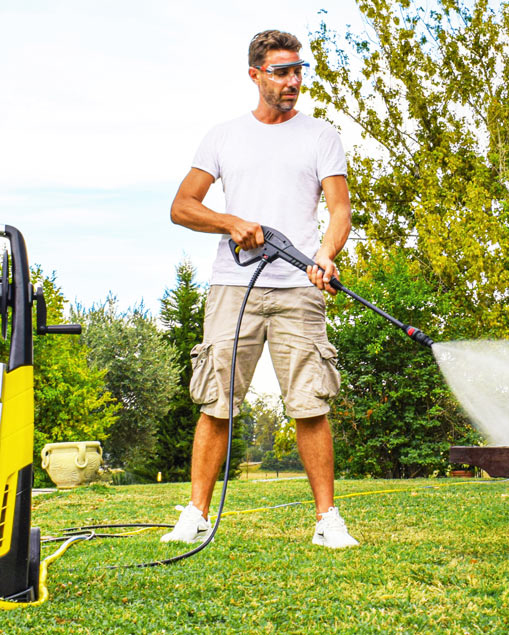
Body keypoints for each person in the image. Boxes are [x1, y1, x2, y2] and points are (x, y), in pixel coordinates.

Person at [163, 29, 358, 548]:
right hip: (234, 287)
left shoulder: (321, 136)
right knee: (216, 402)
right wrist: (231, 223)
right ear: (255, 75)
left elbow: (340, 210)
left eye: (298, 71)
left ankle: (327, 520)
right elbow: (182, 207)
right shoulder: (224, 137)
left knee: (310, 403)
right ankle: (195, 514)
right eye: (281, 72)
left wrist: (326, 254)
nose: (293, 81)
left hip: (300, 287)